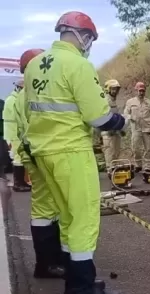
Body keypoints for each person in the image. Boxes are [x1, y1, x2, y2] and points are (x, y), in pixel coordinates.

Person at [23, 11, 127, 293]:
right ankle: (82, 287)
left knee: (67, 217)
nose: (89, 43)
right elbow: (99, 117)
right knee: (83, 219)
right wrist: (121, 121)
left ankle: (73, 278)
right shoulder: (79, 65)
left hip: (44, 153)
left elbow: (28, 112)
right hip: (71, 151)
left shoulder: (33, 66)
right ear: (81, 35)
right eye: (90, 37)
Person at [15, 48, 66, 279]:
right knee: (45, 208)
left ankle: (49, 262)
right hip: (37, 152)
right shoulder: (30, 95)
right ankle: (47, 265)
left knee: (48, 207)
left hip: (34, 151)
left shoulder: (26, 94)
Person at [3, 80, 31, 191]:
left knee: (18, 157)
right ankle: (19, 184)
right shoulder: (15, 101)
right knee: (18, 158)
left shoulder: (11, 99)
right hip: (15, 133)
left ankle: (20, 182)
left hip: (12, 133)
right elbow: (22, 118)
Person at [124, 81, 150, 174]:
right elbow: (126, 113)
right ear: (136, 91)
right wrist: (131, 117)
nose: (141, 93)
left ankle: (147, 167)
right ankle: (138, 165)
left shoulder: (149, 102)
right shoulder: (130, 102)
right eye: (140, 91)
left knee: (148, 148)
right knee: (135, 148)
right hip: (136, 129)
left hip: (147, 128)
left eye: (143, 91)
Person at [102, 79, 125, 174]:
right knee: (109, 152)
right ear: (108, 89)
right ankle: (110, 171)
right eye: (113, 89)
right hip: (108, 131)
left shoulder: (116, 101)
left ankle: (115, 171)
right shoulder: (104, 101)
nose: (115, 91)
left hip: (116, 131)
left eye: (116, 89)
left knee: (116, 152)